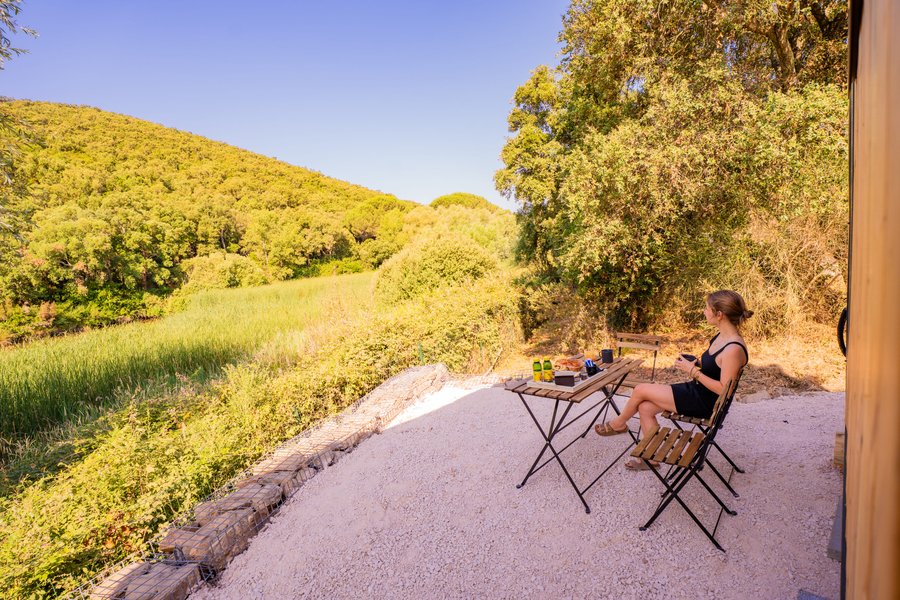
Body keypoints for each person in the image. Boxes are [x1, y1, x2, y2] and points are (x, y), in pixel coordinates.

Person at [593, 290, 752, 470]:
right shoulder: (721, 337)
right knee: (645, 408)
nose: (704, 311)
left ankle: (619, 424)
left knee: (640, 390)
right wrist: (697, 363)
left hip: (705, 402)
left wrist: (693, 371)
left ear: (719, 315)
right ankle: (651, 460)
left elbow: (725, 389)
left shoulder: (733, 349)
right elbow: (716, 366)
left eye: (707, 308)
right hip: (697, 391)